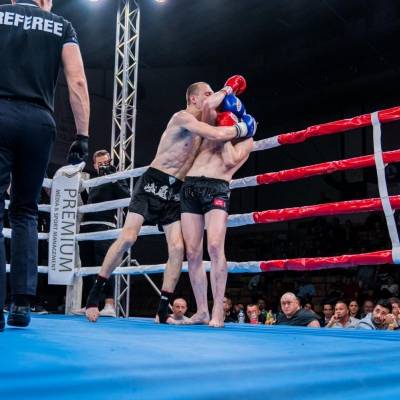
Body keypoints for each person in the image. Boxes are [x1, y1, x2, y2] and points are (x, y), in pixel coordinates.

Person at [85, 79, 256, 323]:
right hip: (153, 182)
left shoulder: (204, 122)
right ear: (194, 98)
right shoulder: (182, 118)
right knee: (128, 238)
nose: (212, 97)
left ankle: (163, 309)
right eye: (207, 93)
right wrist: (241, 121)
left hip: (176, 190)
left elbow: (218, 131)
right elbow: (217, 133)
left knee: (178, 248)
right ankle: (94, 296)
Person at [0, 0, 90, 330]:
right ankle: (21, 303)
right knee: (25, 210)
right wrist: (83, 135)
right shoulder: (61, 26)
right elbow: (77, 81)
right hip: (39, 122)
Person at [181, 78, 256, 327]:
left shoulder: (247, 139)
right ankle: (202, 310)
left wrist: (230, 131)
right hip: (191, 186)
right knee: (192, 252)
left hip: (217, 187)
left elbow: (231, 161)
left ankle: (217, 311)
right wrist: (228, 88)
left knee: (214, 246)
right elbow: (207, 105)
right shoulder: (211, 120)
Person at [74, 150, 130, 317]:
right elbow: (90, 203)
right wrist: (81, 189)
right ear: (95, 165)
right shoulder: (93, 181)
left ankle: (109, 304)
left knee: (105, 264)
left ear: (111, 162)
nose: (104, 166)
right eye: (100, 164)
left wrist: (112, 178)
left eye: (106, 163)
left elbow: (126, 196)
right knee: (87, 267)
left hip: (104, 226)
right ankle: (89, 304)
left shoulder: (118, 177)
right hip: (86, 227)